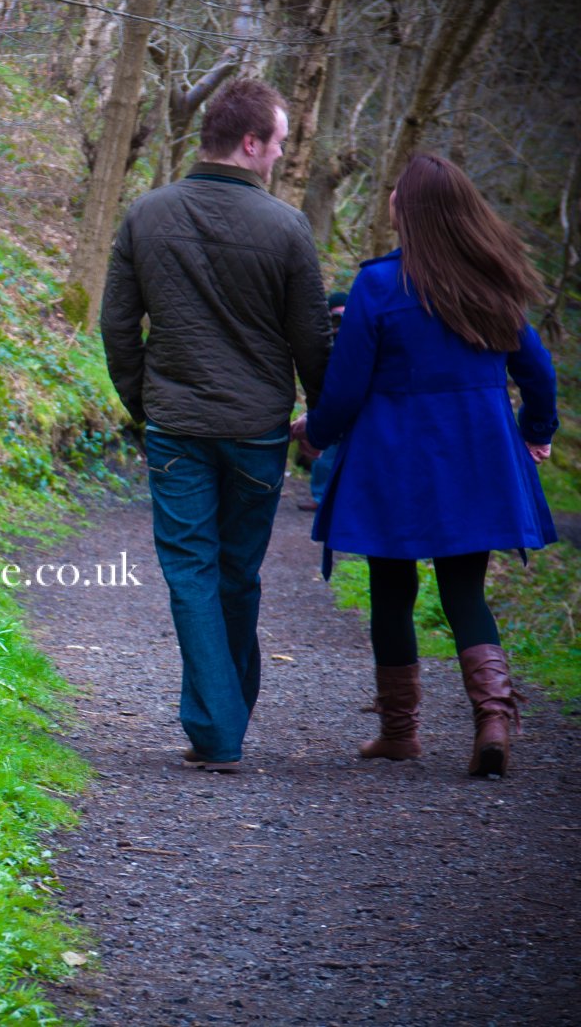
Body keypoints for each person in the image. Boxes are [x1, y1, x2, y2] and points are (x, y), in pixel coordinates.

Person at [292, 152, 558, 778]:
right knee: (464, 590)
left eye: (395, 193)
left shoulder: (380, 285)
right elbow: (538, 373)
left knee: (392, 590)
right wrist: (535, 433)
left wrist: (316, 433)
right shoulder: (494, 280)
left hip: (396, 459)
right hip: (479, 456)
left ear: (408, 210)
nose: (389, 199)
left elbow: (347, 385)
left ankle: (400, 733)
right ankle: (493, 721)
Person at [101, 79, 332, 772]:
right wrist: (322, 418)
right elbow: (312, 341)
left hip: (178, 425)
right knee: (235, 572)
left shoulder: (146, 213)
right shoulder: (287, 228)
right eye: (279, 143)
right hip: (256, 431)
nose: (281, 155)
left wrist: (145, 405)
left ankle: (217, 725)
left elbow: (117, 327)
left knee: (192, 573)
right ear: (251, 142)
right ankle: (222, 724)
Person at [300, 291, 348, 511]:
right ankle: (320, 497)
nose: (339, 323)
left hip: (351, 407)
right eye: (335, 317)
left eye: (344, 316)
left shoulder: (359, 338)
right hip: (329, 406)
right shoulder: (323, 343)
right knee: (324, 456)